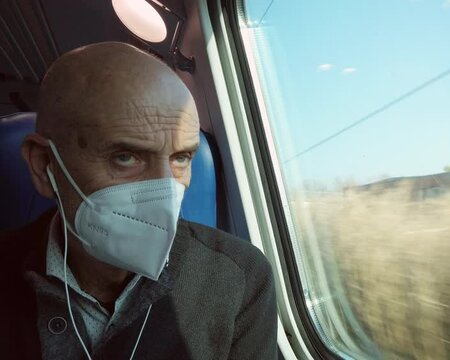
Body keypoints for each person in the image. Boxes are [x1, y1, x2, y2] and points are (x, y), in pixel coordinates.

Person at [0, 42, 277, 359]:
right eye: (125, 157)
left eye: (181, 158)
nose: (164, 189)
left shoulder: (240, 277)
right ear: (44, 165)